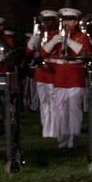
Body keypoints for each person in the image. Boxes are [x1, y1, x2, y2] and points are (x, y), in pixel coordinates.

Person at [42, 7, 92, 148]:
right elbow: (43, 53)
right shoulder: (54, 35)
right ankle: (63, 142)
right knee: (61, 112)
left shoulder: (82, 37)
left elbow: (84, 53)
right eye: (64, 19)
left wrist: (68, 41)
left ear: (75, 22)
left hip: (75, 79)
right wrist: (53, 42)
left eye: (69, 20)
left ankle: (73, 141)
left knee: (74, 112)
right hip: (60, 79)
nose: (66, 23)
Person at [27, 9, 59, 137]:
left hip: (52, 73)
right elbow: (29, 52)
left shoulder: (57, 35)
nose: (46, 23)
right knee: (44, 103)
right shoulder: (38, 35)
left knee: (54, 103)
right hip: (40, 73)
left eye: (49, 21)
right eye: (44, 21)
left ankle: (54, 130)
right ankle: (46, 130)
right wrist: (31, 43)